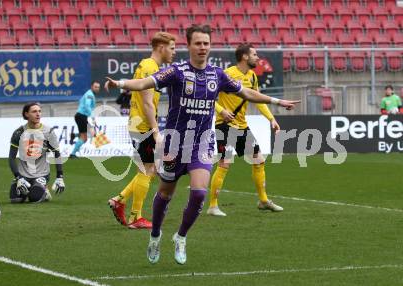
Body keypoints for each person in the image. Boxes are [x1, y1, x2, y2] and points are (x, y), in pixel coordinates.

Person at [105, 24, 299, 265]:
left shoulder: (217, 75)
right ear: (189, 46)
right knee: (165, 193)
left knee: (198, 194)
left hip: (201, 143)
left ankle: (181, 237)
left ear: (210, 46)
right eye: (198, 43)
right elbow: (146, 82)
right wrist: (121, 84)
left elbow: (247, 94)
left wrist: (277, 101)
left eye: (206, 43)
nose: (202, 47)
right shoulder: (177, 71)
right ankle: (155, 235)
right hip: (175, 143)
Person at [107, 32, 176, 229]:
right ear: (161, 47)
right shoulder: (149, 67)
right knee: (147, 170)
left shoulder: (149, 66)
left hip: (139, 124)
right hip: (143, 126)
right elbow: (146, 102)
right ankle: (135, 216)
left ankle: (120, 199)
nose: (174, 52)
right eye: (171, 48)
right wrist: (155, 130)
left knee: (149, 169)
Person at [208, 44, 283, 217]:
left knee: (259, 160)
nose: (258, 58)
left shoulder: (252, 77)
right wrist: (221, 111)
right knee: (224, 163)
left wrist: (271, 118)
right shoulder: (226, 74)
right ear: (244, 57)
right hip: (224, 125)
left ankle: (263, 201)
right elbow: (208, 97)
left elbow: (258, 99)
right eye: (254, 55)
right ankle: (212, 206)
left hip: (241, 125)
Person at [9, 102, 65, 203]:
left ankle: (44, 191)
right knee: (15, 199)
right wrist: (18, 178)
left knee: (33, 198)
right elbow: (11, 158)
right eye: (34, 111)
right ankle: (29, 187)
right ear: (26, 114)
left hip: (41, 174)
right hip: (23, 175)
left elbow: (57, 153)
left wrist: (59, 177)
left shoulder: (48, 131)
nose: (38, 114)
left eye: (39, 111)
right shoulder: (19, 132)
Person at [70, 80, 101, 158]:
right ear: (92, 87)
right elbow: (87, 106)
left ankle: (75, 135)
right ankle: (72, 154)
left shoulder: (88, 94)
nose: (97, 88)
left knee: (91, 134)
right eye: (95, 87)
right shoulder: (90, 95)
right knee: (84, 138)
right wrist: (93, 117)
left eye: (98, 87)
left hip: (81, 116)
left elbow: (82, 102)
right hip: (82, 116)